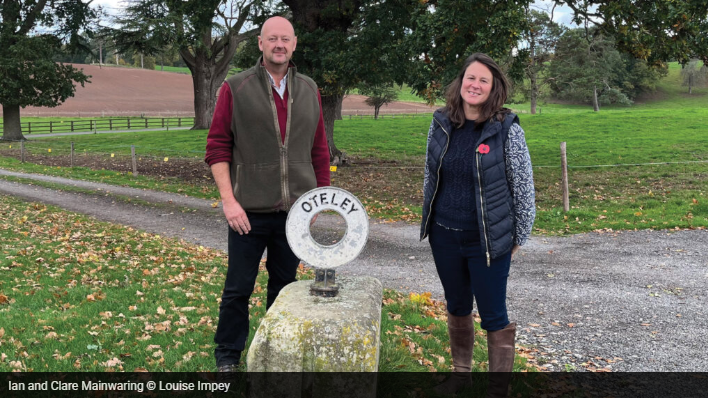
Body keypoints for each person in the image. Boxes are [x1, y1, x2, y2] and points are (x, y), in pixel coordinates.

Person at [204, 16, 330, 372]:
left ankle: (275, 352)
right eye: (272, 38)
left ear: (294, 44)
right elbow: (217, 148)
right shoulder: (236, 87)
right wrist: (229, 201)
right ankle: (227, 356)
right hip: (248, 212)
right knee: (238, 289)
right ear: (260, 43)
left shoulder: (309, 88)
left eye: (285, 39)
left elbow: (319, 150)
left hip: (295, 215)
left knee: (284, 289)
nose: (279, 44)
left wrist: (319, 201)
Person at [420, 53, 535, 396]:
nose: (475, 85)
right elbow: (430, 174)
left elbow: (523, 184)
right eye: (471, 78)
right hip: (444, 235)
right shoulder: (441, 122)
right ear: (461, 82)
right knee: (456, 306)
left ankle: (498, 389)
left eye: (483, 80)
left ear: (493, 88)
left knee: (493, 313)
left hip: (488, 239)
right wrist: (428, 217)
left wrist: (519, 235)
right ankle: (461, 378)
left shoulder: (506, 127)